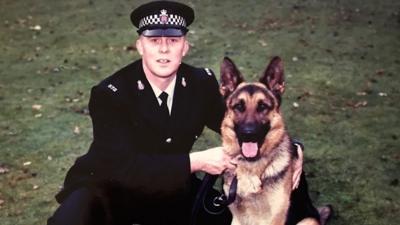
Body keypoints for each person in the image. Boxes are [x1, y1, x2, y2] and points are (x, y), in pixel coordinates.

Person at [47, 1, 303, 225]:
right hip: (109, 190)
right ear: (140, 46)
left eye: (173, 40)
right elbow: (121, 166)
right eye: (154, 41)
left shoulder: (200, 83)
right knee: (71, 219)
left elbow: (244, 127)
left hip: (172, 190)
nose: (164, 49)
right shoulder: (111, 94)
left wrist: (294, 151)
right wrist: (197, 162)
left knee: (231, 218)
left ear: (185, 47)